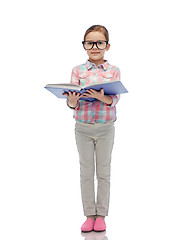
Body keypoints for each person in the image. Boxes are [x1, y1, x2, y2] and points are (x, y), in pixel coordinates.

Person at [63, 25, 121, 232]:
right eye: (90, 43)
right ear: (84, 46)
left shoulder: (113, 70)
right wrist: (71, 101)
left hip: (106, 127)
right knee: (86, 172)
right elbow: (72, 102)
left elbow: (114, 99)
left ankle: (101, 216)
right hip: (82, 127)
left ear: (107, 45)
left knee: (103, 172)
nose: (95, 47)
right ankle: (89, 214)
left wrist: (99, 96)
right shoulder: (77, 71)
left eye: (99, 42)